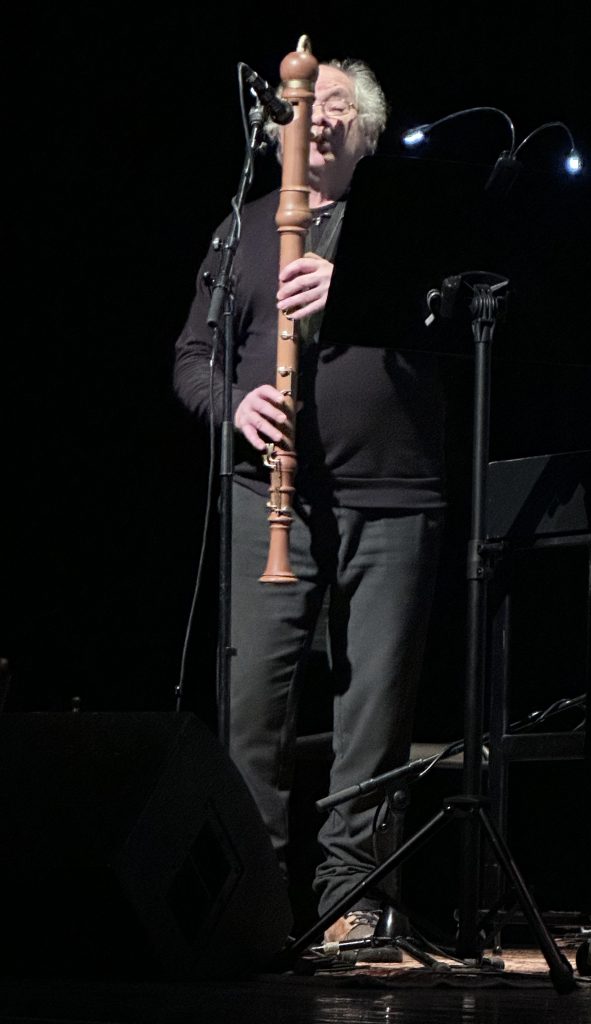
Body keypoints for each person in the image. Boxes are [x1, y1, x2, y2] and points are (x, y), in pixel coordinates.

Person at [174, 57, 446, 952]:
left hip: (393, 497)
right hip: (267, 497)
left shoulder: (408, 236)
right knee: (251, 710)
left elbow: (472, 326)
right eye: (304, 105)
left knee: (374, 717)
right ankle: (250, 906)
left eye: (338, 106)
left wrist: (362, 288)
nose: (318, 117)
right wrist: (234, 406)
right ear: (277, 126)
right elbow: (192, 362)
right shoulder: (240, 230)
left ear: (366, 134)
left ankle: (353, 907)